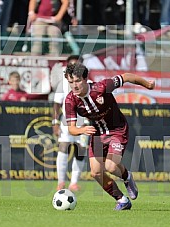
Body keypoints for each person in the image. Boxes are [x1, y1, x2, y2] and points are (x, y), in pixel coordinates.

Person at [64, 63, 155, 210]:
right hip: (98, 134)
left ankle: (127, 176)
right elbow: (71, 129)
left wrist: (147, 85)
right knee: (96, 172)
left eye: (77, 81)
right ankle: (122, 200)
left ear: (85, 79)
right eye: (70, 82)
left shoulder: (101, 87)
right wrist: (82, 130)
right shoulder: (70, 100)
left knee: (111, 166)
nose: (74, 86)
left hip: (117, 129)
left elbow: (126, 77)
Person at [52, 55, 89, 192]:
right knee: (64, 147)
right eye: (71, 66)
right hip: (67, 122)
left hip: (84, 122)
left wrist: (89, 121)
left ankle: (74, 182)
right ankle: (61, 182)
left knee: (81, 149)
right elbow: (57, 104)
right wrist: (55, 123)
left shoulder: (89, 82)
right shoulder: (63, 83)